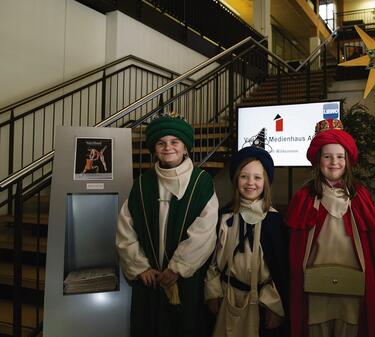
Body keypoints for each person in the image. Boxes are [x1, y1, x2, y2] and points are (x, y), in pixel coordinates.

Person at [116, 114, 219, 337]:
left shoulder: (201, 183)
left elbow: (205, 232)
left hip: (185, 281)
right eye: (161, 143)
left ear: (185, 148)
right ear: (154, 148)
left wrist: (177, 267)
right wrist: (139, 266)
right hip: (150, 279)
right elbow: (126, 227)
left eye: (175, 142)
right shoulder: (142, 184)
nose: (168, 147)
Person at [287, 119, 375, 337]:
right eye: (327, 156)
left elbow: (372, 241)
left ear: (348, 160)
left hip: (352, 287)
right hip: (315, 288)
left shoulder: (360, 195)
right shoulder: (303, 198)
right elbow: (295, 249)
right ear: (318, 160)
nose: (334, 162)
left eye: (340, 156)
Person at [205, 145, 289, 337]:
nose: (250, 182)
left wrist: (275, 305)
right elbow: (213, 261)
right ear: (236, 180)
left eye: (257, 177)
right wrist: (213, 293)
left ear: (266, 182)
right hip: (227, 297)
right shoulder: (224, 218)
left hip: (261, 301)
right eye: (244, 176)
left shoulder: (274, 222)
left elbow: (278, 270)